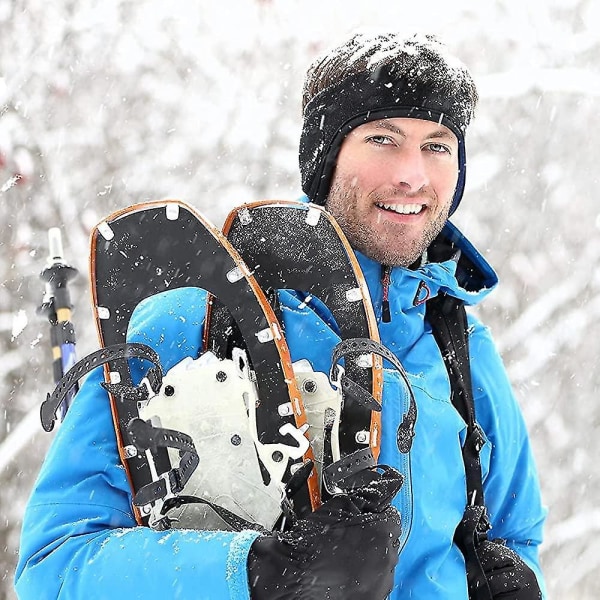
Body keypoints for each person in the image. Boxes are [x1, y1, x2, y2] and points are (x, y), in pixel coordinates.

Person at [15, 32, 546, 599]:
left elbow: (516, 534)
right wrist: (259, 574)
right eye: (383, 139)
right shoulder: (196, 320)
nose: (413, 175)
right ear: (326, 156)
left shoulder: (459, 344)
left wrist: (517, 579)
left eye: (437, 145)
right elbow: (54, 565)